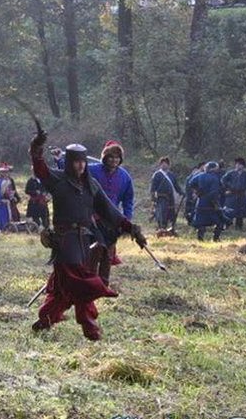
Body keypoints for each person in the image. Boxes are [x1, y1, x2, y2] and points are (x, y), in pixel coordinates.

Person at [29, 131, 147, 341]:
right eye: (76, 162)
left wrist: (131, 228)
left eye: (83, 162)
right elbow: (40, 170)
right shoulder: (58, 180)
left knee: (62, 289)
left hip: (85, 239)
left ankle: (46, 319)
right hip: (65, 241)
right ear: (69, 163)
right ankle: (90, 320)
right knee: (77, 280)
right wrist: (37, 148)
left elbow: (110, 211)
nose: (81, 166)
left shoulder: (91, 185)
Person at [87, 140, 134, 285]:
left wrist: (127, 218)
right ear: (105, 157)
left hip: (112, 219)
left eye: (117, 157)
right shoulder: (92, 170)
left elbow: (128, 199)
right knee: (94, 250)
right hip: (92, 217)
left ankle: (103, 284)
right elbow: (74, 170)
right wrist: (59, 160)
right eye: (111, 157)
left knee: (108, 253)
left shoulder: (125, 176)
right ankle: (90, 281)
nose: (114, 160)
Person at [187, 161, 228, 241]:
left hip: (201, 202)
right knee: (219, 221)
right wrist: (216, 202)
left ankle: (200, 238)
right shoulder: (215, 178)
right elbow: (215, 192)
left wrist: (198, 191)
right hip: (211, 204)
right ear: (213, 169)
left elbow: (191, 183)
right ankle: (216, 238)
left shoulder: (199, 176)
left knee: (201, 222)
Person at [150, 157, 184, 233]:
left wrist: (181, 192)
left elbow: (176, 185)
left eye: (166, 164)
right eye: (162, 164)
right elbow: (153, 187)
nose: (164, 165)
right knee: (162, 213)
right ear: (160, 165)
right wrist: (153, 197)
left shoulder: (171, 175)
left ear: (168, 165)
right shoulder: (157, 175)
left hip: (170, 197)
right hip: (161, 197)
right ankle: (161, 228)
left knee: (171, 212)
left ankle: (170, 228)